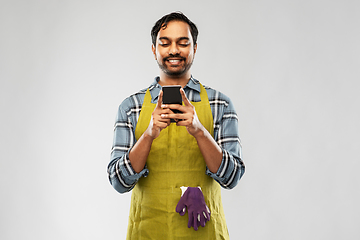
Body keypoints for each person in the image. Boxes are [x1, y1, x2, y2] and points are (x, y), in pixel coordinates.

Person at [107, 12, 245, 239]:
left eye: (183, 43)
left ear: (195, 48)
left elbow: (232, 177)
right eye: (165, 43)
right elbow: (119, 182)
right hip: (149, 232)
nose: (174, 50)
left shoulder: (219, 104)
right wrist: (149, 135)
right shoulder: (131, 107)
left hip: (205, 233)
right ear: (154, 50)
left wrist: (200, 131)